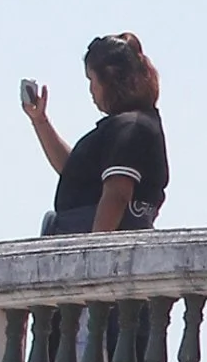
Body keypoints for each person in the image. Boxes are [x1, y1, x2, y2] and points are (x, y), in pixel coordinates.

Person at [22, 36, 167, 236]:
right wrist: (40, 121)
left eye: (92, 80)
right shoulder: (131, 125)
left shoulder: (131, 127)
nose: (91, 89)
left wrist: (94, 248)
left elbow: (117, 194)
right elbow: (73, 172)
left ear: (109, 79)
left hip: (89, 237)